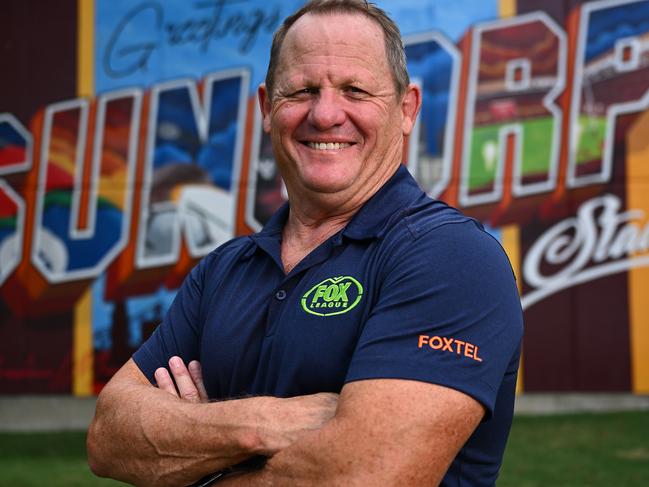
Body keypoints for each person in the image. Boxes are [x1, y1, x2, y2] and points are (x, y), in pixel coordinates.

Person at [87, 0, 523, 485]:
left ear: (407, 109)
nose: (326, 114)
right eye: (302, 90)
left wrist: (192, 449)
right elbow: (109, 437)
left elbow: (363, 476)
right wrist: (265, 425)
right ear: (267, 109)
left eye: (355, 90)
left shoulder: (451, 258)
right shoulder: (226, 268)